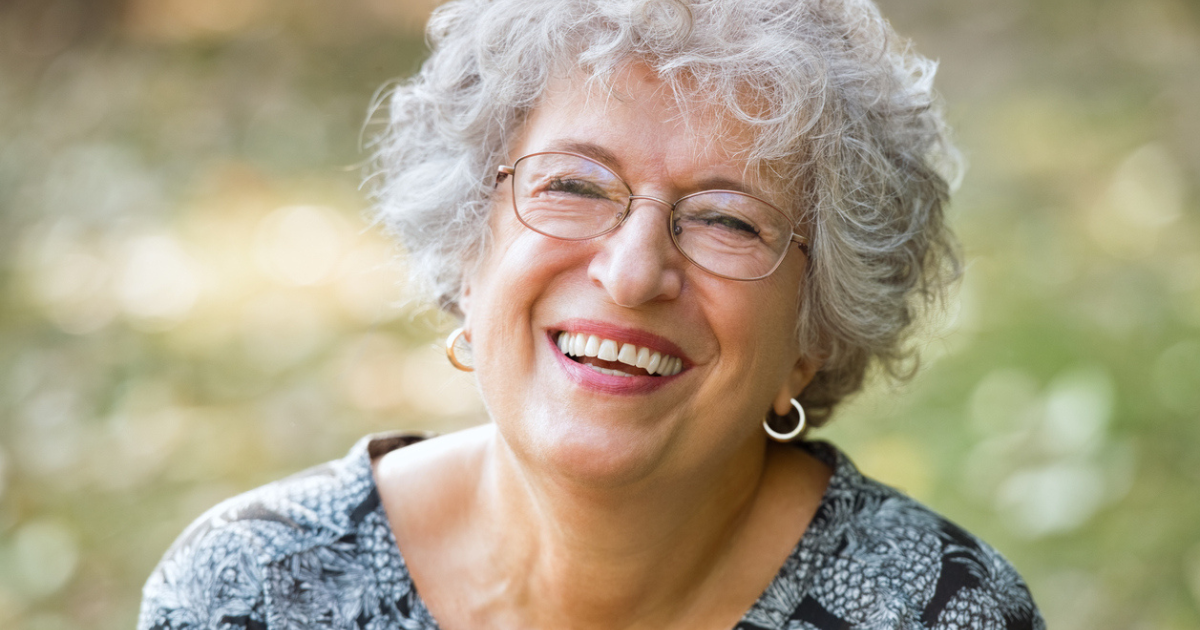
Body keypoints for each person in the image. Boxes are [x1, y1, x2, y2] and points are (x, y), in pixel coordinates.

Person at [139, 0, 1044, 628]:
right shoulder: (255, 593)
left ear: (812, 339)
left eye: (728, 219)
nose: (632, 270)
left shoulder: (936, 614)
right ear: (469, 245)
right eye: (573, 184)